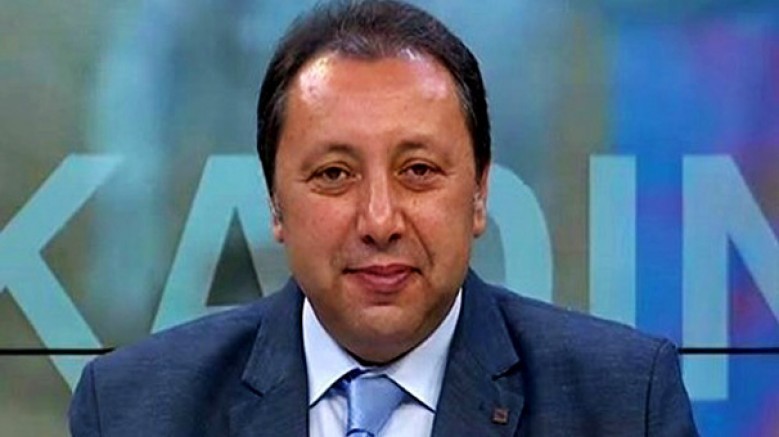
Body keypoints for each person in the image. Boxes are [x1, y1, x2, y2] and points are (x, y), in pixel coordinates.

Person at [69, 1, 698, 435]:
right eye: (334, 174)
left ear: (481, 193)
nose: (379, 220)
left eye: (418, 170)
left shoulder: (624, 404)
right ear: (274, 202)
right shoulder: (132, 410)